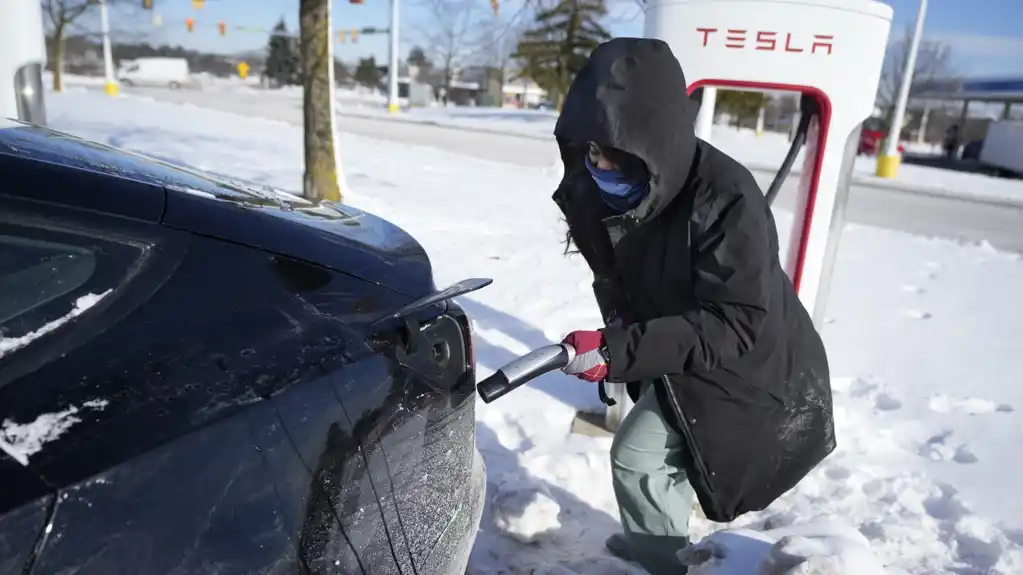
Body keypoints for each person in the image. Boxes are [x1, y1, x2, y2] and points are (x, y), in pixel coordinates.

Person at [552, 38, 835, 574]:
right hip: (678, 346)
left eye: (616, 158)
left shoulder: (726, 198)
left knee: (638, 458)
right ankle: (657, 540)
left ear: (655, 143)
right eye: (592, 153)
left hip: (745, 367)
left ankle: (665, 563)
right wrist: (617, 323)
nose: (600, 168)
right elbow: (611, 269)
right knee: (658, 464)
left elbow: (735, 322)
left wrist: (618, 351)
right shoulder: (608, 190)